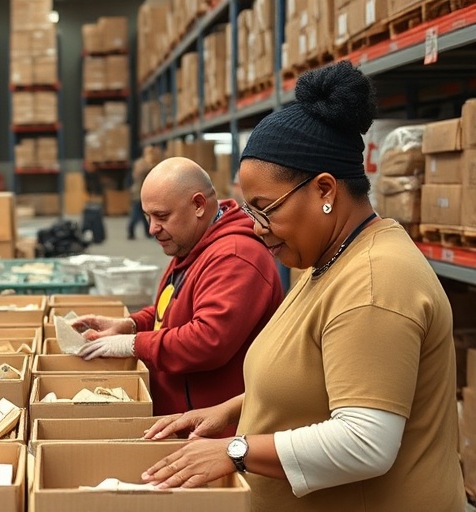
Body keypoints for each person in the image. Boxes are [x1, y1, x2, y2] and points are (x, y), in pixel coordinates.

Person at [141, 61, 465, 511]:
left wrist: (236, 451)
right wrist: (235, 410)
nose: (256, 228)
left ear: (325, 191)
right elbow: (315, 376)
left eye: (264, 208)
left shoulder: (374, 281)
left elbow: (364, 442)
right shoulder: (326, 259)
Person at [71, 157, 283, 423]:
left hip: (213, 430)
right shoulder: (192, 242)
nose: (152, 229)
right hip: (182, 416)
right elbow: (173, 308)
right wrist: (131, 325)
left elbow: (207, 340)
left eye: (161, 216)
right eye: (148, 217)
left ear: (197, 205)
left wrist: (132, 345)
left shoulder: (236, 257)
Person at [127, 145, 161, 239]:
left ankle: (148, 232)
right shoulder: (140, 163)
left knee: (146, 215)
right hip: (138, 194)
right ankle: (130, 231)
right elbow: (137, 174)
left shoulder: (155, 162)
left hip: (150, 194)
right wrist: (148, 165)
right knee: (136, 215)